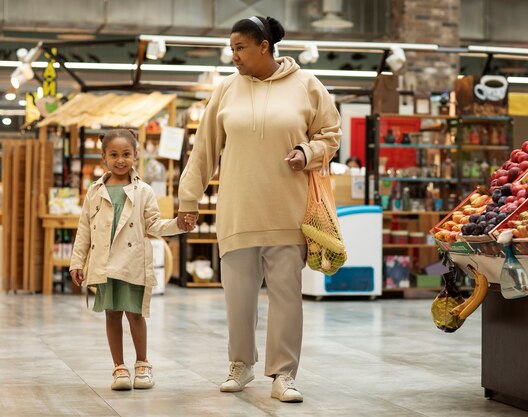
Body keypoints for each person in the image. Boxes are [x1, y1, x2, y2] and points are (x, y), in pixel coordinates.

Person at [176, 15, 341, 403]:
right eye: (231, 48)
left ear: (264, 46)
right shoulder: (225, 90)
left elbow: (330, 136)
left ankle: (284, 374)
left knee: (286, 296)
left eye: (240, 48)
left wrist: (308, 151)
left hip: (287, 210)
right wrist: (188, 199)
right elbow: (203, 151)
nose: (234, 56)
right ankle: (240, 363)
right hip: (237, 209)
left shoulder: (307, 86)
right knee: (238, 295)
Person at [70, 129, 188, 391]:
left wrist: (178, 224)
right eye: (114, 154)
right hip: (104, 262)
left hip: (132, 261)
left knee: (135, 314)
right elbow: (84, 230)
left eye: (126, 154)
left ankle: (142, 364)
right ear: (103, 157)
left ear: (136, 155)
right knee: (112, 314)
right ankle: (119, 368)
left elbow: (154, 224)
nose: (120, 160)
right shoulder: (94, 191)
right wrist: (77, 262)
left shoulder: (144, 190)